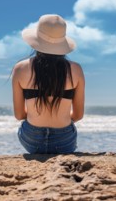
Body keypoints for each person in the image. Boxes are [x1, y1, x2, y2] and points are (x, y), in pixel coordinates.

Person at [12, 14, 85, 154]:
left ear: (37, 40)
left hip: (32, 139)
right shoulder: (76, 69)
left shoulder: (20, 68)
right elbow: (78, 115)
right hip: (64, 140)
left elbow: (19, 114)